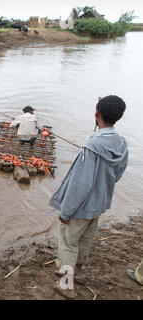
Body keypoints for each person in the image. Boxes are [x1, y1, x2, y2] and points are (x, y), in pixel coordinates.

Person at [49, 95, 128, 299]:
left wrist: (66, 211)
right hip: (98, 205)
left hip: (80, 207)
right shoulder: (121, 143)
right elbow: (118, 173)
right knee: (85, 239)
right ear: (119, 117)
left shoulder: (90, 145)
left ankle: (67, 285)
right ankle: (78, 271)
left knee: (68, 242)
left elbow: (80, 185)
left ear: (96, 114)